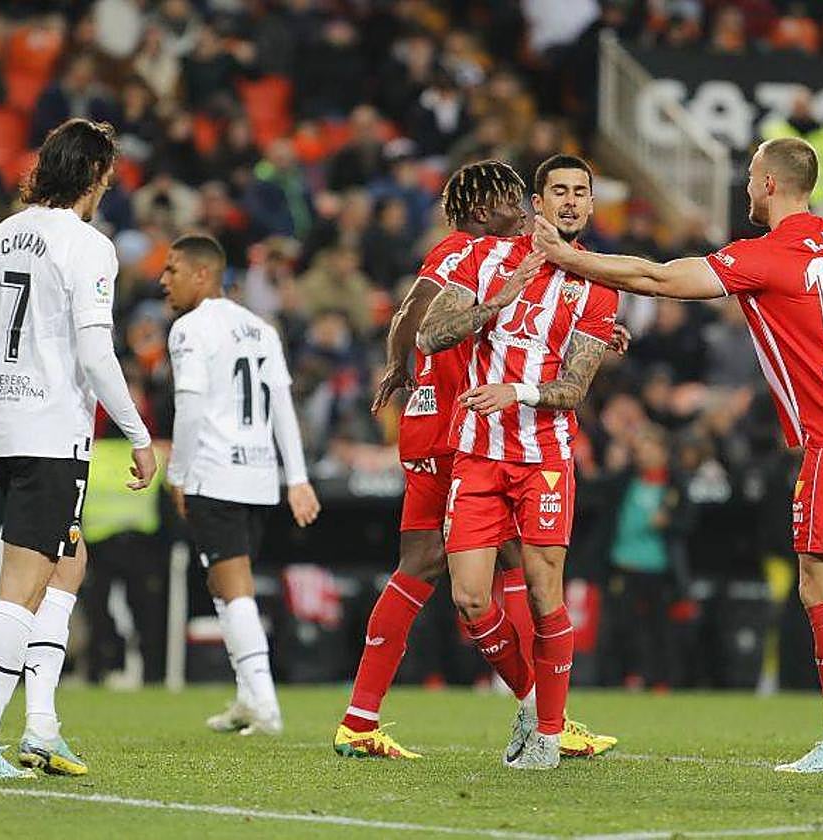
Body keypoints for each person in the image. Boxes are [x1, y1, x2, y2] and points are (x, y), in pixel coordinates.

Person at [533, 137, 823, 774]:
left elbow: (658, 278)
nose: (747, 187)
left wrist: (570, 258)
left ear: (770, 184)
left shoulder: (766, 254)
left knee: (818, 586)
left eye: (752, 176)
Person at [334, 159, 617, 760]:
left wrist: (578, 332)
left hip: (457, 420)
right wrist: (401, 363)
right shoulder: (466, 250)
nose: (526, 212)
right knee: (442, 562)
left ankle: (535, 711)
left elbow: (414, 317)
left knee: (493, 560)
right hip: (457, 425)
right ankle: (538, 709)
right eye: (517, 200)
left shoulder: (502, 259)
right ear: (488, 210)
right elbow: (416, 317)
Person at [0, 118, 157, 779]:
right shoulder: (88, 246)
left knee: (68, 561)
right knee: (24, 582)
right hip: (51, 432)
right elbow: (95, 353)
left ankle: (41, 726)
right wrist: (138, 433)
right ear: (95, 175)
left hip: (5, 427)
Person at [417, 154, 619, 770]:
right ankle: (532, 702)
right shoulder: (486, 259)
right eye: (559, 190)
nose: (571, 201)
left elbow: (574, 388)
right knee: (470, 599)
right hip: (479, 452)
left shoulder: (597, 284)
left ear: (590, 204)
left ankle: (549, 738)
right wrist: (498, 301)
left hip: (544, 458)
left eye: (581, 192)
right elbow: (430, 333)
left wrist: (518, 391)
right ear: (537, 202)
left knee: (543, 590)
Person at [160, 234, 321, 737]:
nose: (164, 281)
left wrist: (178, 473)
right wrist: (296, 477)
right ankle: (250, 696)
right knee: (225, 584)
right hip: (258, 475)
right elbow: (282, 407)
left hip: (214, 471)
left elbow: (189, 406)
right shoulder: (260, 328)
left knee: (234, 589)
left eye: (172, 270)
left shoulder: (189, 329)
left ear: (202, 273)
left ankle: (265, 703)